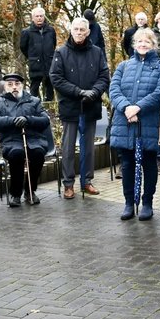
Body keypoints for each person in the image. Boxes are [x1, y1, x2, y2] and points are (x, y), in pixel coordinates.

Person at [109, 28, 160, 220]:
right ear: (134, 44)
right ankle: (128, 203)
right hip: (125, 123)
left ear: (153, 45)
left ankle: (147, 203)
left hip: (148, 123)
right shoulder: (123, 66)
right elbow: (114, 90)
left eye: (147, 42)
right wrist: (127, 108)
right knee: (127, 164)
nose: (143, 45)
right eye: (139, 41)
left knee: (149, 164)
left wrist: (138, 108)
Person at [50, 17, 110, 199]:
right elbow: (56, 78)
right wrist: (78, 92)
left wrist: (94, 92)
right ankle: (68, 184)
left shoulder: (97, 52)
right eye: (75, 29)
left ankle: (87, 181)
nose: (78, 32)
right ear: (71, 30)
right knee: (68, 148)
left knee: (89, 147)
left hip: (91, 106)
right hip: (70, 107)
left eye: (82, 30)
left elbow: (104, 76)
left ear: (88, 32)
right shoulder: (61, 52)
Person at [0, 73, 53, 207]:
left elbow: (45, 119)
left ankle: (30, 190)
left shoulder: (34, 101)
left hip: (34, 139)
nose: (14, 87)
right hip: (12, 140)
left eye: (17, 84)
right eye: (10, 84)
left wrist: (28, 120)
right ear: (5, 87)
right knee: (16, 154)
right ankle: (15, 193)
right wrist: (13, 121)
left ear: (22, 85)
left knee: (38, 153)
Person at [19, 6, 57, 102]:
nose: (39, 18)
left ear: (44, 17)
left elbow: (54, 44)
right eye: (37, 16)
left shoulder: (51, 30)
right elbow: (23, 47)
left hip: (49, 62)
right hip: (35, 63)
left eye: (41, 16)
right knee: (34, 86)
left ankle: (50, 106)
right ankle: (33, 106)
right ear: (33, 18)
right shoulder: (26, 32)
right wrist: (32, 57)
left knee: (50, 86)